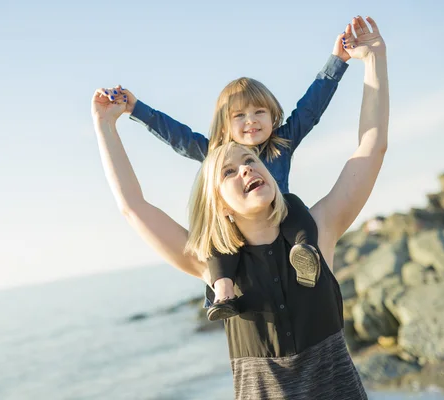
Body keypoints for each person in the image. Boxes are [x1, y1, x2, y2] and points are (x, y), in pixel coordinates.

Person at [92, 15, 388, 399]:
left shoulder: (317, 232)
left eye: (251, 162)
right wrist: (107, 126)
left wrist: (374, 58)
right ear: (218, 202)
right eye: (229, 170)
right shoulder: (211, 264)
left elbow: (372, 146)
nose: (246, 168)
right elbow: (133, 207)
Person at [102, 28, 353, 320]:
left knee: (296, 209)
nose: (251, 121)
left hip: (281, 223)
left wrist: (338, 60)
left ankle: (305, 254)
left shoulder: (281, 144)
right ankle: (223, 293)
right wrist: (136, 108)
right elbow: (178, 137)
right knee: (219, 244)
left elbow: (310, 107)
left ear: (273, 116)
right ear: (224, 126)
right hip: (241, 231)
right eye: (239, 116)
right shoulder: (215, 154)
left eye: (259, 112)